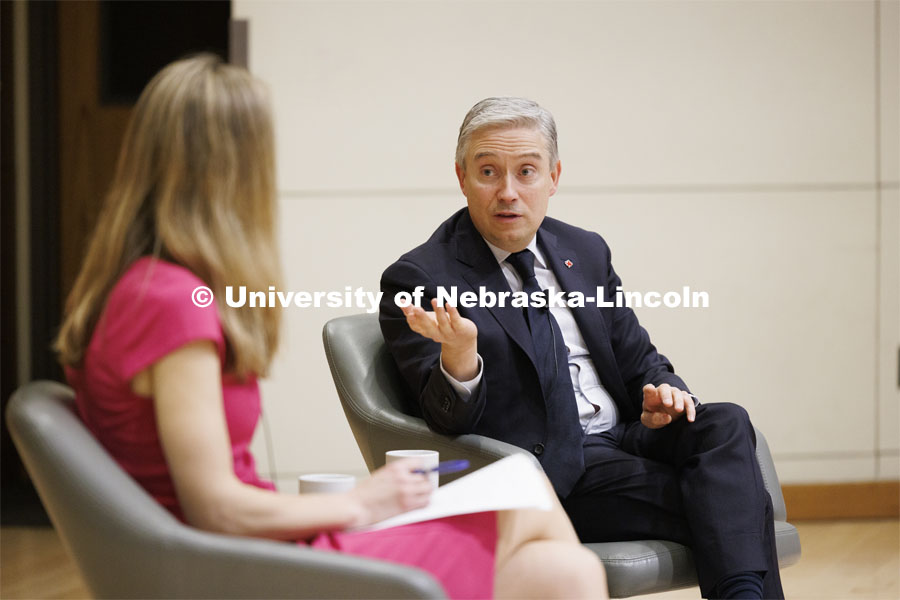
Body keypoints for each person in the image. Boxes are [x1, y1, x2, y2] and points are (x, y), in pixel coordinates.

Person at [55, 58, 606, 600]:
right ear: (232, 170)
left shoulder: (138, 288)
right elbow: (216, 508)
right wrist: (363, 502)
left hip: (237, 549)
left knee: (563, 573)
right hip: (234, 563)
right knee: (528, 499)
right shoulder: (169, 303)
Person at [379, 97, 785, 600]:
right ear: (462, 178)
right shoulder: (421, 278)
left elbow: (641, 357)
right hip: (548, 469)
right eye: (488, 172)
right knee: (738, 498)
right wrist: (460, 356)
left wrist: (665, 392)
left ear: (553, 177)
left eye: (527, 171)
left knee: (726, 422)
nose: (508, 192)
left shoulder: (583, 250)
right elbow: (444, 422)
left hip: (624, 437)